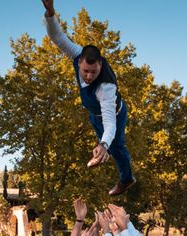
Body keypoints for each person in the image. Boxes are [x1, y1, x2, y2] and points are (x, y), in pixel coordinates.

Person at [41, 0, 136, 196]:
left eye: (93, 72)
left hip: (114, 114)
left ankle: (126, 179)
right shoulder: (76, 54)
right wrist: (50, 12)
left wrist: (103, 144)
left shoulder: (106, 87)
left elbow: (110, 124)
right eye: (85, 71)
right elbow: (58, 37)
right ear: (80, 61)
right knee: (100, 135)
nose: (89, 76)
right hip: (94, 114)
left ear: (100, 65)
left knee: (117, 146)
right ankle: (104, 152)